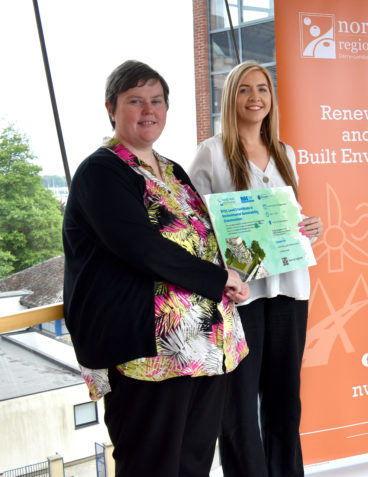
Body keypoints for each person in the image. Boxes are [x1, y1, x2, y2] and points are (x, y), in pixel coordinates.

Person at [62, 60, 250, 477]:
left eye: (157, 101)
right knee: (150, 465)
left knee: (193, 464)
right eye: (135, 101)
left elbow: (205, 236)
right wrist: (220, 279)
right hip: (150, 353)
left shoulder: (171, 170)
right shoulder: (102, 171)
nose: (149, 110)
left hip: (205, 347)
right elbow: (141, 247)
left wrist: (239, 272)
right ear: (111, 108)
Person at [189, 61, 322, 477]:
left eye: (262, 89)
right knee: (240, 406)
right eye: (245, 89)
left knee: (286, 401)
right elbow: (194, 226)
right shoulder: (211, 152)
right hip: (241, 297)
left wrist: (309, 228)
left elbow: (289, 219)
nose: (255, 98)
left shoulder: (285, 152)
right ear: (232, 98)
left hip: (290, 289)